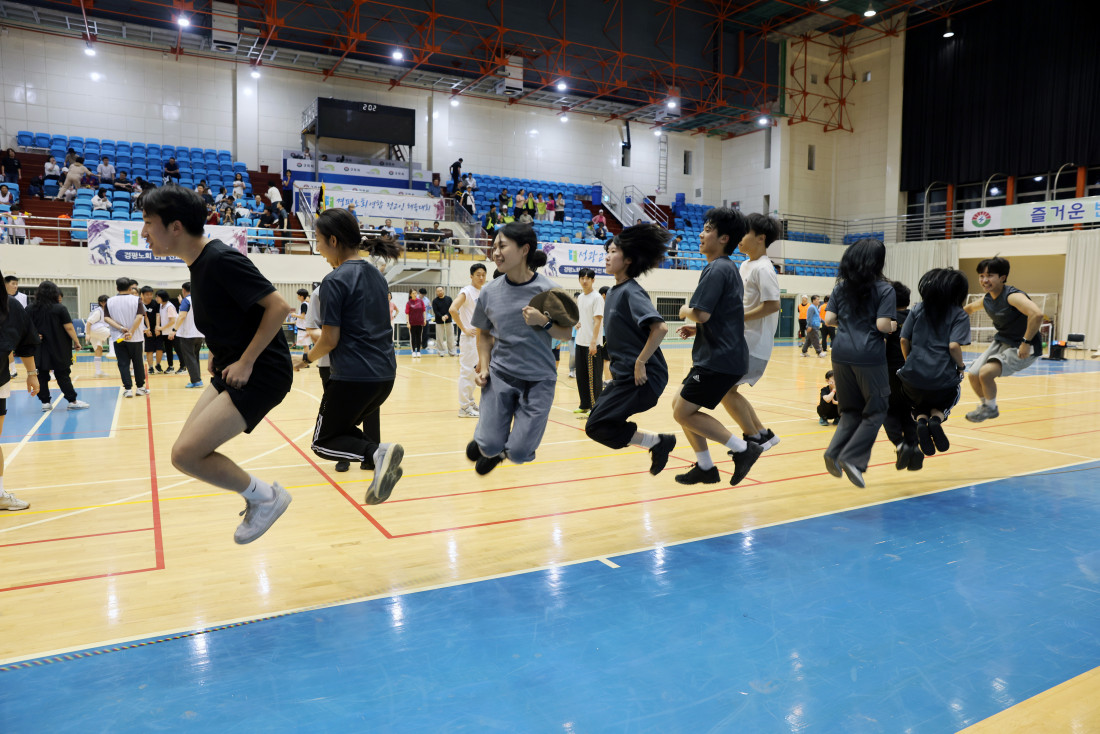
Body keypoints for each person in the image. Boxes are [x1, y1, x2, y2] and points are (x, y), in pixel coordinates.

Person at [141, 184, 295, 544]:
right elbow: (231, 315)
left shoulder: (221, 259)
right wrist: (218, 352)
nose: (144, 232)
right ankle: (262, 496)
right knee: (185, 452)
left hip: (261, 372)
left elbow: (279, 308)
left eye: (148, 222)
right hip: (231, 368)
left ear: (175, 226)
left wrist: (246, 360)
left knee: (186, 454)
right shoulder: (198, 265)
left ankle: (266, 497)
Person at [293, 208, 404, 499]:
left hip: (353, 375)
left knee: (322, 441)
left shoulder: (334, 280)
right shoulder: (377, 276)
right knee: (342, 430)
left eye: (318, 241)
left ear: (333, 240)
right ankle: (378, 458)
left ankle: (378, 453)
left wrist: (304, 359)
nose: (318, 249)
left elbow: (330, 339)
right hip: (385, 375)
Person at [466, 222, 575, 475]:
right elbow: (484, 335)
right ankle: (489, 444)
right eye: (494, 247)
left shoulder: (550, 291)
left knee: (519, 453)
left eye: (502, 246)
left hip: (539, 380)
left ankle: (501, 451)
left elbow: (566, 333)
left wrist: (543, 321)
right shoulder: (489, 292)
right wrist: (484, 366)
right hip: (501, 375)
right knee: (489, 444)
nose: (496, 253)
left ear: (524, 249)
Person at [670, 207, 763, 487]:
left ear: (724, 238)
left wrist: (684, 311)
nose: (701, 234)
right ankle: (705, 466)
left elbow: (701, 313)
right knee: (678, 404)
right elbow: (722, 316)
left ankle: (743, 449)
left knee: (682, 412)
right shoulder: (727, 268)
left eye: (708, 230)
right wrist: (698, 329)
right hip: (720, 356)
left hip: (719, 360)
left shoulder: (717, 269)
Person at [583, 224, 677, 472]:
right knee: (597, 424)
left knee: (596, 426)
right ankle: (659, 443)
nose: (607, 256)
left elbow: (660, 328)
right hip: (624, 378)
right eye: (607, 252)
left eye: (613, 251)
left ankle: (659, 443)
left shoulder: (631, 291)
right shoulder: (614, 292)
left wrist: (640, 362)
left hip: (644, 379)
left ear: (628, 260)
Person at [821, 238, 897, 488]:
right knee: (876, 409)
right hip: (868, 356)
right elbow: (882, 325)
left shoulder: (841, 287)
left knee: (850, 411)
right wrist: (894, 325)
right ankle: (853, 459)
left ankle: (833, 452)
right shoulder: (885, 289)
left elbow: (829, 319)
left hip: (840, 353)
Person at [719, 212, 782, 451]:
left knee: (724, 391)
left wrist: (738, 318)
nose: (739, 237)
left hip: (753, 343)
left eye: (745, 233)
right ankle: (763, 434)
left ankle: (755, 438)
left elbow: (773, 304)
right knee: (728, 390)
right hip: (741, 340)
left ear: (761, 238)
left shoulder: (764, 268)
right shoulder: (746, 265)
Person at [899, 268, 972, 458]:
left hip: (912, 378)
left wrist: (909, 362)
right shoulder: (959, 314)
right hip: (942, 380)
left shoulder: (917, 308)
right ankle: (936, 420)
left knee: (917, 401)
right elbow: (954, 346)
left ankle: (922, 421)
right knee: (952, 393)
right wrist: (961, 368)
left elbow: (904, 340)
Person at [962, 256, 1044, 423]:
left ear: (1002, 277)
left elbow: (1037, 314)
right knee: (973, 374)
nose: (985, 280)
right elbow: (967, 309)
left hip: (1024, 346)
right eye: (981, 276)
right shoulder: (987, 299)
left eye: (990, 275)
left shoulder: (1012, 296)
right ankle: (988, 406)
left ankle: (990, 407)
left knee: (986, 373)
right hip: (1002, 341)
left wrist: (1026, 342)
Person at [0, 274, 41, 511]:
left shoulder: (10, 305)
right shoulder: (10, 304)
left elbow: (25, 341)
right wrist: (32, 373)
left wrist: (32, 373)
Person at [27, 280, 89, 412]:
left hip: (39, 347)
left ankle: (45, 403)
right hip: (59, 347)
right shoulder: (60, 308)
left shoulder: (30, 308)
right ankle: (72, 401)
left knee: (41, 375)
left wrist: (34, 334)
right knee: (63, 375)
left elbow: (25, 326)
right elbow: (69, 327)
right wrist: (77, 342)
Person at [882, 281, 920, 471]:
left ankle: (900, 444)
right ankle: (914, 446)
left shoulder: (887, 319)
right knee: (908, 411)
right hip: (914, 372)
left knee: (887, 410)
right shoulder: (916, 317)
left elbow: (882, 344)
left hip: (891, 371)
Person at [450, 264, 487, 418]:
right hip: (470, 337)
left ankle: (470, 402)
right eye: (478, 274)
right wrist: (464, 329)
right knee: (467, 372)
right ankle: (464, 407)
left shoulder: (483, 291)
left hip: (480, 337)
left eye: (483, 274)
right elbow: (453, 309)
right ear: (471, 276)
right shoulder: (466, 291)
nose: (481, 277)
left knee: (474, 372)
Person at [104, 276, 148, 398]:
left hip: (118, 338)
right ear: (130, 288)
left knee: (123, 364)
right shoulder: (136, 300)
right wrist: (131, 332)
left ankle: (128, 389)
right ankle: (140, 388)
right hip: (135, 338)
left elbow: (106, 318)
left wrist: (120, 328)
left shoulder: (110, 301)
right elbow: (139, 317)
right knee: (138, 363)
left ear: (117, 288)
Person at [573, 268, 605, 417]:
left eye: (587, 278)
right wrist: (576, 323)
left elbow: (598, 321)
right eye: (582, 278)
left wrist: (593, 342)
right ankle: (584, 404)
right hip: (580, 342)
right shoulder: (580, 297)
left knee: (594, 378)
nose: (584, 281)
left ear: (593, 280)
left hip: (592, 344)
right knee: (581, 376)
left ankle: (595, 407)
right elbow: (581, 316)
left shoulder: (597, 297)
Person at [165, 281, 205, 386]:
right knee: (195, 357)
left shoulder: (186, 301)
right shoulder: (200, 299)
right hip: (199, 334)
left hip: (188, 334)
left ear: (183, 290)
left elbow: (182, 316)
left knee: (189, 358)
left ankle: (196, 381)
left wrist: (174, 330)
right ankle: (198, 379)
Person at [139, 286, 165, 375]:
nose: (149, 296)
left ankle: (158, 365)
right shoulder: (139, 304)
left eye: (151, 294)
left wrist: (157, 327)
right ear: (142, 295)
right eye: (147, 294)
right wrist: (146, 329)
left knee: (159, 348)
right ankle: (150, 367)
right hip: (145, 330)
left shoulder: (155, 303)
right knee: (149, 349)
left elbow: (158, 315)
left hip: (156, 328)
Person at [5, 276, 27, 379]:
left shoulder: (23, 297)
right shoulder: (3, 297)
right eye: (13, 283)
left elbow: (26, 313)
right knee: (8, 350)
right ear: (5, 284)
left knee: (26, 350)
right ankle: (13, 370)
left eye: (16, 284)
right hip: (6, 328)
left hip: (20, 328)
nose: (15, 286)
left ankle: (33, 369)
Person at [86, 295, 112, 377]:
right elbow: (88, 322)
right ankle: (113, 352)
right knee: (114, 334)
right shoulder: (98, 311)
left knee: (98, 349)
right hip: (95, 329)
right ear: (101, 303)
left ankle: (98, 372)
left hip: (96, 332)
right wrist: (87, 334)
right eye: (105, 302)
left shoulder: (107, 311)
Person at [155, 290, 178, 374]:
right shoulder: (161, 305)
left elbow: (172, 321)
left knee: (176, 350)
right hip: (165, 332)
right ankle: (170, 366)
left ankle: (180, 366)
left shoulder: (169, 306)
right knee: (168, 350)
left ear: (163, 297)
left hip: (171, 332)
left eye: (158, 297)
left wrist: (161, 328)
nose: (156, 298)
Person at [432, 287, 455, 357]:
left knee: (450, 337)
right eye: (438, 291)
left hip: (449, 321)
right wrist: (441, 316)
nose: (440, 292)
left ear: (443, 290)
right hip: (439, 322)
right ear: (436, 292)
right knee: (439, 338)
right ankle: (441, 352)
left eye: (441, 290)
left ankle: (452, 351)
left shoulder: (449, 299)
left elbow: (451, 308)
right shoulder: (435, 301)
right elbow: (436, 311)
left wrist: (447, 315)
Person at [405, 287, 426, 358]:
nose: (414, 294)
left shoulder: (421, 301)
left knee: (419, 337)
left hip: (420, 322)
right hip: (412, 323)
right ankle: (413, 351)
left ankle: (419, 351)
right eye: (413, 293)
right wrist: (408, 322)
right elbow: (407, 313)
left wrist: (425, 319)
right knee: (413, 337)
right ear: (410, 294)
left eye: (415, 293)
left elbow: (424, 311)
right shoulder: (408, 303)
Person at [293, 288, 312, 354]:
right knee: (306, 345)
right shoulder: (306, 304)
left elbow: (303, 316)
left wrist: (294, 315)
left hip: (303, 328)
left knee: (305, 345)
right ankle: (307, 357)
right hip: (305, 328)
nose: (297, 297)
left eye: (298, 295)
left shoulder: (304, 304)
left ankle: (306, 358)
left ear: (301, 296)